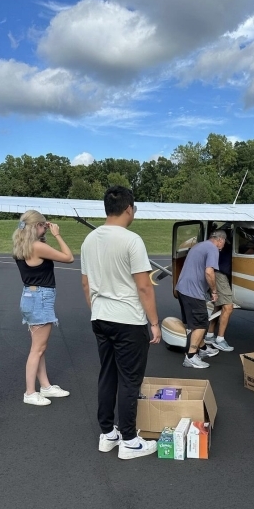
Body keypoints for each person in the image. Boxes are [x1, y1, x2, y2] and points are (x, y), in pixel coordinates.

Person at [80, 185, 161, 460]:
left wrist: (96, 308)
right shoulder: (132, 240)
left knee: (108, 373)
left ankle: (108, 433)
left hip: (101, 315)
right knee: (129, 379)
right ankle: (129, 439)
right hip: (127, 319)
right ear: (129, 209)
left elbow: (85, 283)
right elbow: (145, 287)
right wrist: (155, 323)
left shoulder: (89, 240)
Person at [12, 210, 74, 406]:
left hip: (31, 296)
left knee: (40, 347)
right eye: (43, 225)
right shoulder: (37, 246)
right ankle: (30, 392)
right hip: (40, 298)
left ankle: (45, 386)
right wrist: (56, 234)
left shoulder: (23, 245)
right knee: (37, 349)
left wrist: (44, 232)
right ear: (36, 226)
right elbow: (68, 257)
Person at [175, 230, 227, 369]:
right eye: (224, 243)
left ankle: (203, 348)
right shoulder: (213, 249)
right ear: (220, 240)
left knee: (195, 321)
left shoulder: (200, 245)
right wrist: (214, 291)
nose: (222, 246)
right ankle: (191, 356)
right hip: (193, 292)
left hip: (182, 288)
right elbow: (209, 272)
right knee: (200, 324)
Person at [205, 229, 235, 352]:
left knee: (219, 307)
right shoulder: (224, 247)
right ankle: (220, 340)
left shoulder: (217, 247)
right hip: (220, 275)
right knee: (228, 307)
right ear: (221, 239)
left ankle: (210, 335)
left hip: (218, 274)